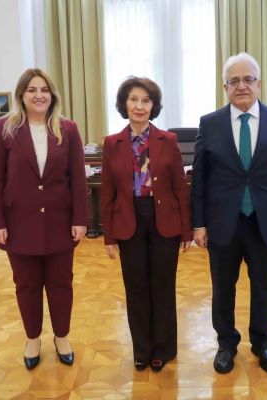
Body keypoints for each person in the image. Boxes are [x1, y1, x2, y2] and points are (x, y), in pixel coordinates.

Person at [190, 53, 267, 374]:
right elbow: (200, 179)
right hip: (222, 222)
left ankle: (263, 343)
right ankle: (226, 343)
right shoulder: (209, 123)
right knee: (222, 287)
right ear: (225, 86)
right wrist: (198, 223)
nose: (242, 86)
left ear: (259, 83)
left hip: (266, 223)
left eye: (248, 79)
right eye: (234, 80)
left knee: (264, 286)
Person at [0, 68, 88, 370]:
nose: (39, 95)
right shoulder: (4, 129)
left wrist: (80, 218)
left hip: (60, 223)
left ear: (52, 95)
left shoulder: (68, 129)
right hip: (19, 225)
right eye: (32, 90)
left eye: (44, 89)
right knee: (26, 285)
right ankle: (32, 339)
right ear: (21, 95)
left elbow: (78, 179)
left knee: (61, 284)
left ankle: (61, 337)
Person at [101, 76, 192, 372]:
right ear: (124, 104)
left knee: (163, 286)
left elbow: (180, 187)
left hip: (164, 218)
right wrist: (108, 236)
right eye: (133, 100)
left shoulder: (168, 140)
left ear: (153, 106)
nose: (139, 106)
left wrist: (186, 231)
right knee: (136, 287)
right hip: (128, 220)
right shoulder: (112, 143)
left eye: (145, 100)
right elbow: (107, 191)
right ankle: (142, 349)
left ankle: (163, 349)